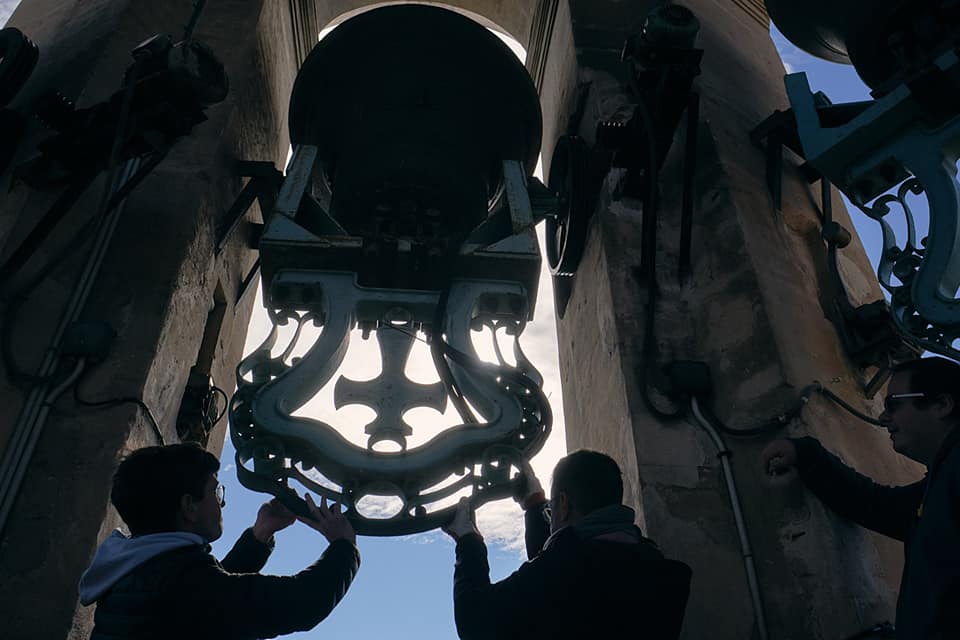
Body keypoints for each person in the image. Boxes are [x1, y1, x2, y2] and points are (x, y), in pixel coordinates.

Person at [761, 357, 960, 639]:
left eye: (893, 405)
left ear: (941, 405)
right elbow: (878, 506)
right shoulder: (936, 487)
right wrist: (806, 455)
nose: (883, 417)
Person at [79, 443, 359, 639]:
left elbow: (214, 597)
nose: (221, 504)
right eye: (216, 492)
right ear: (189, 506)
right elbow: (302, 603)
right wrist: (343, 545)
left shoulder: (142, 570)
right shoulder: (180, 584)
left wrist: (260, 534)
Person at [444, 449, 692, 640]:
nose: (550, 514)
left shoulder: (565, 571)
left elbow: (475, 621)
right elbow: (560, 573)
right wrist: (535, 505)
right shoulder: (656, 569)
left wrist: (468, 541)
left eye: (551, 508)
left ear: (563, 504)